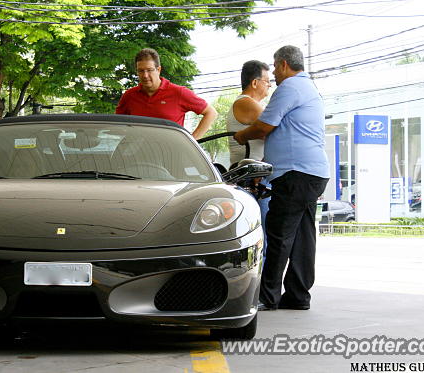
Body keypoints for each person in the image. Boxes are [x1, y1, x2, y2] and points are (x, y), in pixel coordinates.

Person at [233, 45, 329, 311]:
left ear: (284, 64)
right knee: (302, 237)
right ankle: (298, 296)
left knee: (279, 234)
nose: (274, 73)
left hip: (295, 173)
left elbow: (265, 125)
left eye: (275, 67)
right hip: (313, 172)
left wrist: (241, 136)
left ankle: (267, 296)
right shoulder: (308, 87)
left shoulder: (289, 88)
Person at [116, 48, 217, 139]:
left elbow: (211, 113)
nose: (145, 75)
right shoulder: (129, 96)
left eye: (149, 70)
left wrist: (191, 141)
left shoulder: (178, 92)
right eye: (141, 71)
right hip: (137, 154)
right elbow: (117, 125)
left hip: (170, 155)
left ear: (158, 69)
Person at [226, 60, 272, 255]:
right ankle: (261, 284)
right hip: (252, 176)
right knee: (262, 236)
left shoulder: (247, 103)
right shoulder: (246, 103)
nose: (269, 86)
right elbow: (275, 126)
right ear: (255, 83)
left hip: (254, 174)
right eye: (267, 81)